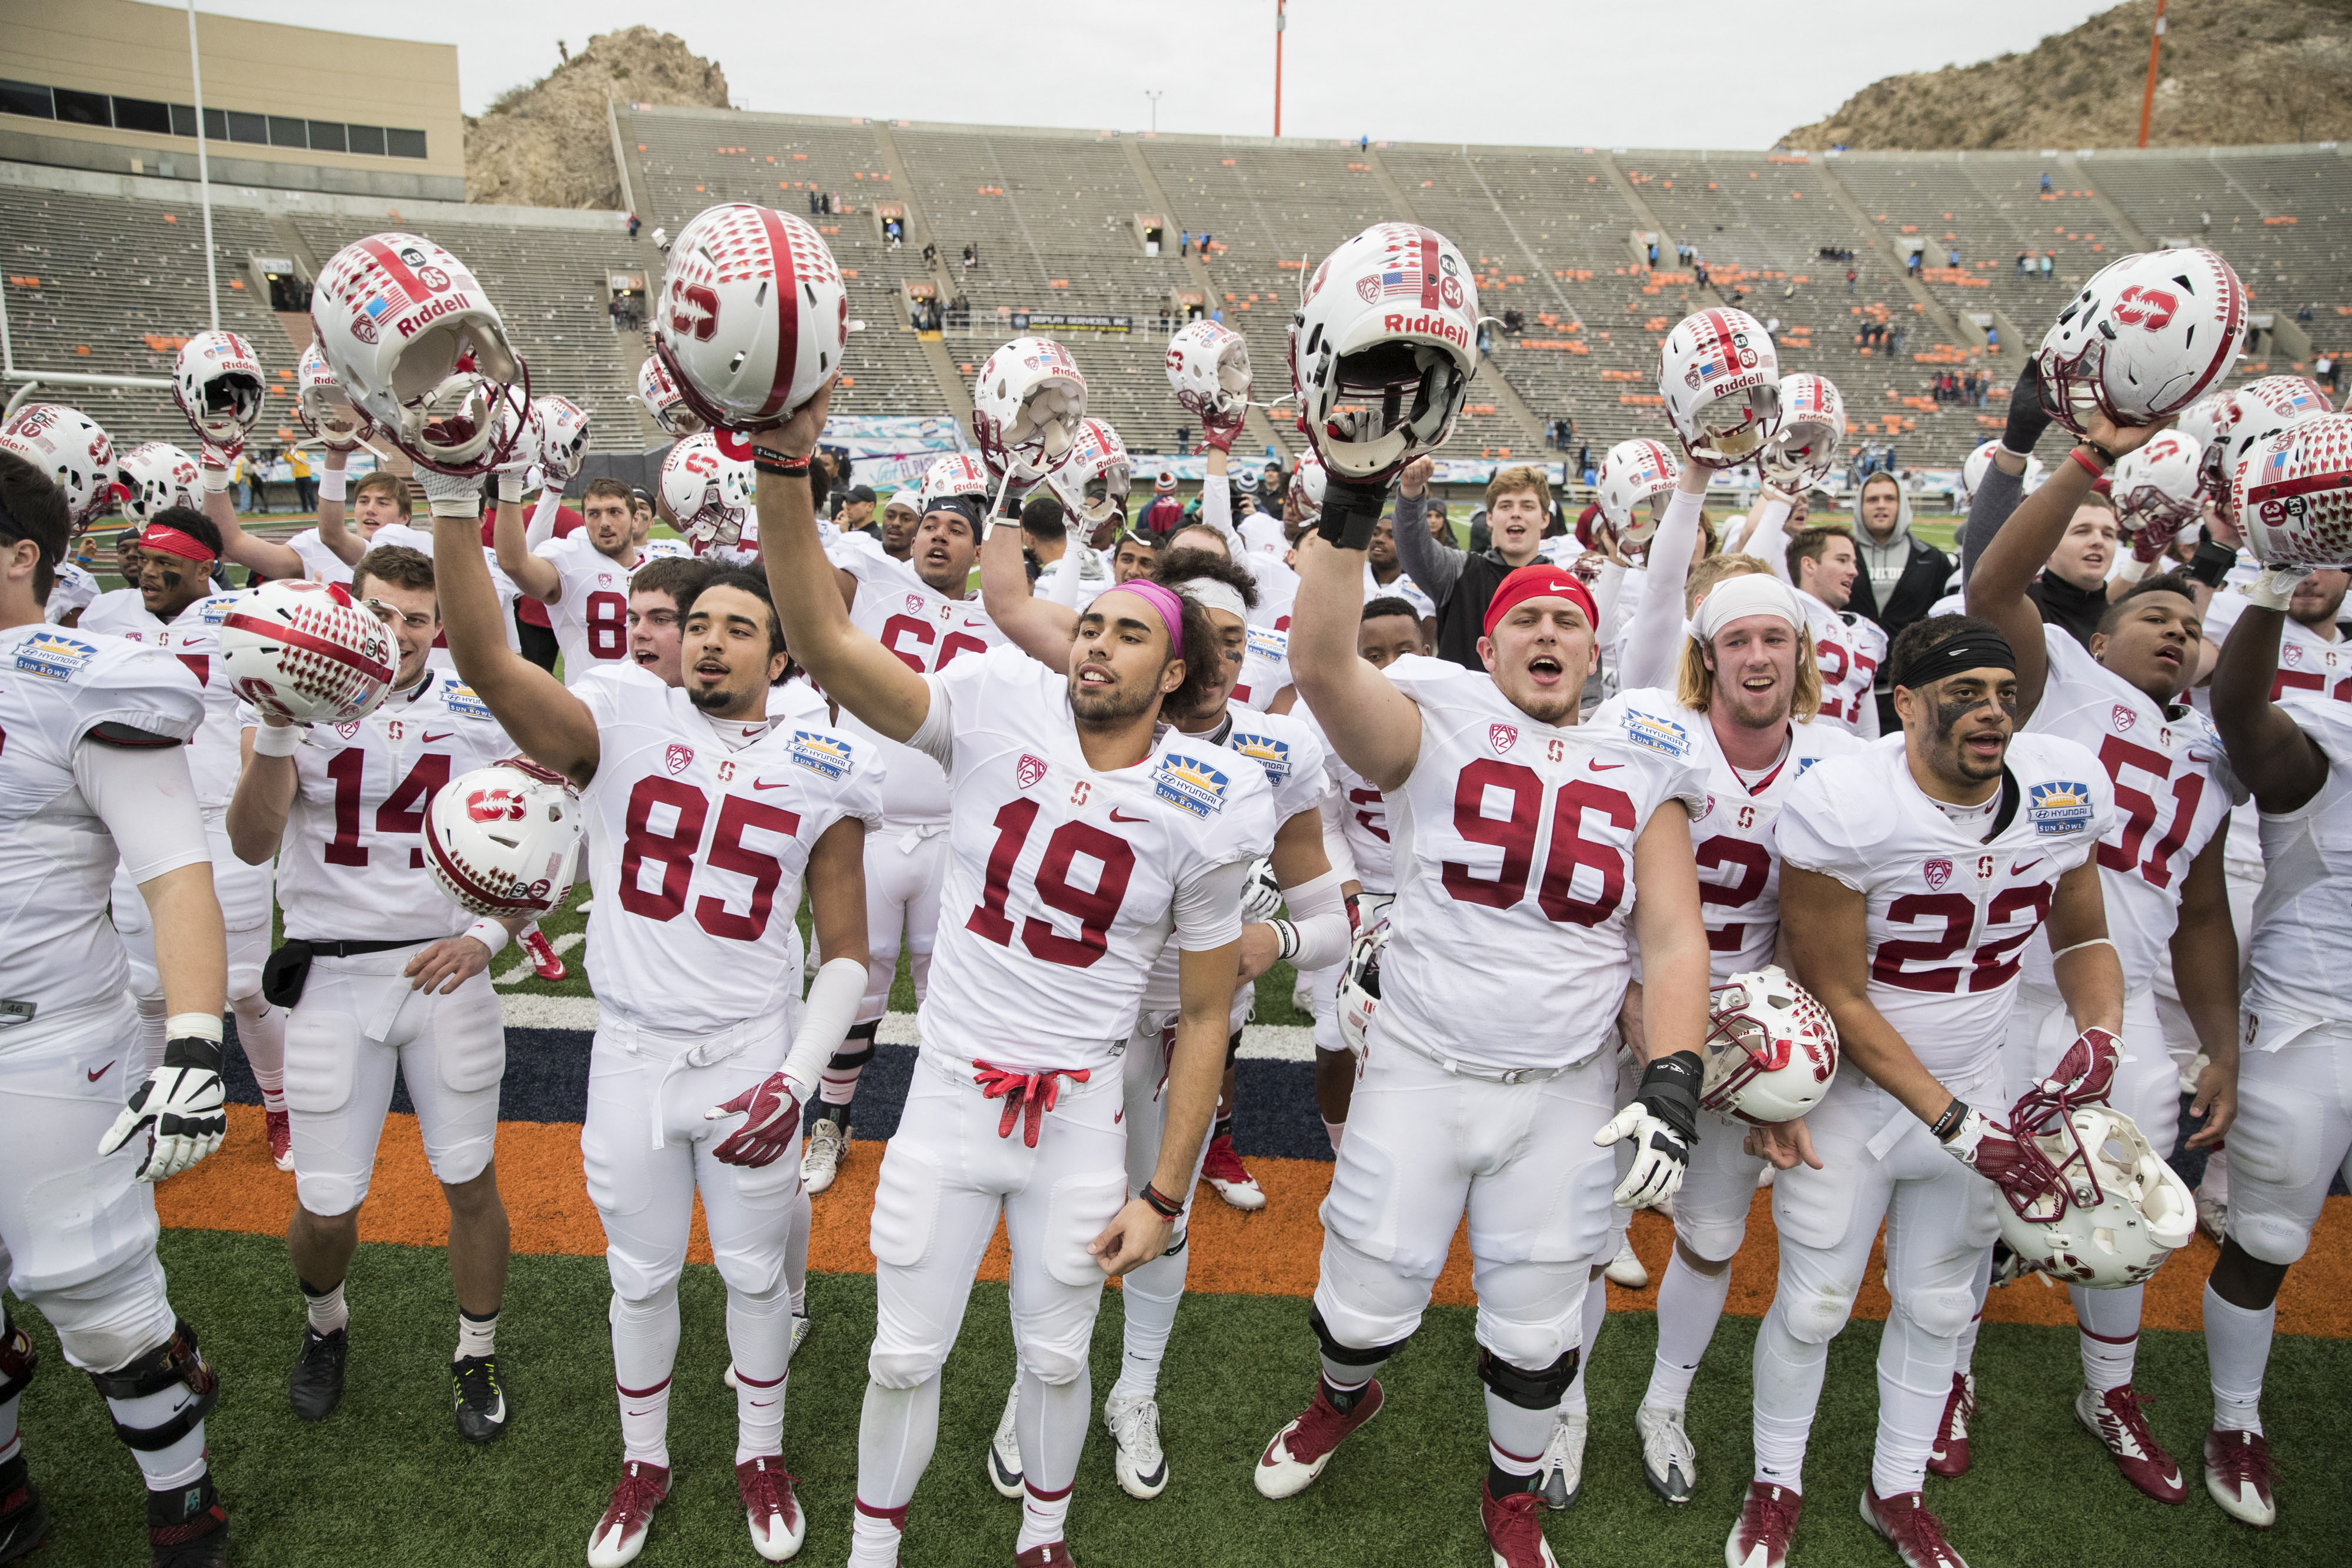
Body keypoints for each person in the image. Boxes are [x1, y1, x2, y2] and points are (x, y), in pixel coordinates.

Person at [748, 384, 1275, 1568]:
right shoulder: (994, 702)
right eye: (1089, 624)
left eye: (1128, 632)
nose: (1094, 642)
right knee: (902, 1351)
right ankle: (870, 1548)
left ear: (1179, 670)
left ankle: (1043, 1537)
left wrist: (1166, 1191)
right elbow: (827, 642)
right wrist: (782, 465)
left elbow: (1202, 1015)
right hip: (948, 1088)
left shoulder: (1208, 798)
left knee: (1052, 1353)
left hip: (1081, 1107)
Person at [1260, 461, 1712, 1568]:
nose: (1550, 631)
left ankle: (1510, 1494)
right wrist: (1352, 503)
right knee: (1364, 1292)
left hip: (1558, 1086)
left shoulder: (1642, 752)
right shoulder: (1441, 714)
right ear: (1491, 646)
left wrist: (1675, 1075)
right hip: (1418, 1060)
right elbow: (1319, 663)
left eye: (1571, 619)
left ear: (1595, 651)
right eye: (1530, 619)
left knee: (1534, 1323)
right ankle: (1343, 1395)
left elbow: (1671, 934)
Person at [427, 476, 878, 1564]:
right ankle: (646, 1459)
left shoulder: (827, 763)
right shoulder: (620, 716)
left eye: (742, 629)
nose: (712, 643)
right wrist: (454, 496)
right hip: (630, 1047)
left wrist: (800, 1078)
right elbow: (489, 663)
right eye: (701, 625)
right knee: (638, 1272)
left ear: (784, 657)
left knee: (757, 1271)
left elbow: (851, 955)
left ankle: (757, 1450)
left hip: (751, 1050)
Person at [1738, 614, 2121, 1568]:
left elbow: (2081, 937)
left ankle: (1896, 1487)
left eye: (2004, 692)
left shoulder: (2064, 786)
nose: (1991, 711)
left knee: (1941, 1303)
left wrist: (2102, 1030)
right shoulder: (1847, 802)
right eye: (1964, 692)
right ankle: (1776, 1478)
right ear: (1904, 703)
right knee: (1816, 1300)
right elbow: (1835, 987)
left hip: (1980, 1078)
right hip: (1856, 1092)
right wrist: (1955, 1123)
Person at [981, 537, 1348, 1502]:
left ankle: (1134, 1388)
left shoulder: (1276, 749)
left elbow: (1330, 917)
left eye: (1235, 637)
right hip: (1064, 1018)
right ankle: (1034, 1380)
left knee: (1163, 1212)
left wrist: (1269, 947)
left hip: (1180, 1028)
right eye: (1204, 634)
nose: (1221, 659)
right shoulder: (1078, 722)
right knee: (1046, 1213)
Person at [1959, 415, 2241, 1504]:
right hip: (2011, 986)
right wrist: (2088, 458)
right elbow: (1992, 589)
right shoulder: (2064, 679)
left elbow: (2204, 915)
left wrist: (2218, 1045)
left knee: (2133, 1201)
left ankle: (2109, 1387)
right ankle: (1948, 1371)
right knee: (1976, 1200)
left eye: (2190, 621)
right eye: (2155, 613)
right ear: (2107, 632)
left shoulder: (2210, 761)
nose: (2175, 629)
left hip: (2126, 1014)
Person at [1596, 453, 1861, 1507]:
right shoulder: (1660, 734)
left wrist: (1781, 1048)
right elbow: (1610, 887)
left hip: (1745, 1026)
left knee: (1709, 1236)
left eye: (1775, 637)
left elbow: (1831, 917)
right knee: (1582, 1221)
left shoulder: (1840, 759)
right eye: (1737, 637)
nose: (1757, 654)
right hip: (1617, 999)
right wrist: (1630, 1006)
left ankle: (1664, 1396)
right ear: (1709, 656)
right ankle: (1562, 1401)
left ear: (1802, 655)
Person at [221, 542, 529, 1449]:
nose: (397, 633)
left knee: (469, 1178)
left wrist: (488, 935)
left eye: (417, 616)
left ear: (443, 624)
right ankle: (326, 1325)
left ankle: (477, 1348)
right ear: (353, 611)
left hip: (447, 974)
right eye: (382, 612)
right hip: (333, 976)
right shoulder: (295, 704)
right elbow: (249, 843)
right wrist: (276, 726)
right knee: (326, 1201)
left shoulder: (483, 708)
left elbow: (550, 842)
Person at [0, 449, 233, 1568]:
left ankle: (184, 1502)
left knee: (97, 1291)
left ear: (20, 554)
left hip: (40, 1033)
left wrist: (192, 1039)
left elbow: (174, 869)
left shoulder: (73, 673)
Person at [2196, 562, 2352, 1529]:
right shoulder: (2323, 753)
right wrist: (2278, 576)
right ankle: (2235, 1415)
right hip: (2315, 1016)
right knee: (2265, 1238)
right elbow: (2243, 709)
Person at [799, 483, 1003, 1198]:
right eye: (929, 526)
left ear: (980, 551)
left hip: (956, 830)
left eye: (955, 530)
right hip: (870, 825)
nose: (938, 538)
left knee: (952, 990)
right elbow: (801, 582)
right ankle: (831, 1120)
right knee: (854, 981)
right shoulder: (870, 579)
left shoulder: (1000, 617)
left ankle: (944, 1132)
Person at [78, 509, 292, 1169]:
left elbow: (264, 726)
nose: (147, 570)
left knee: (246, 987)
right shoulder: (102, 618)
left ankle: (282, 1108)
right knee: (145, 987)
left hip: (217, 820)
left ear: (206, 565)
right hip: (138, 821)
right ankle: (156, 1109)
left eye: (164, 559)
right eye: (142, 557)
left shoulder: (243, 618)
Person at [1392, 463, 1555, 668]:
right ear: (1489, 517)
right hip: (1460, 700)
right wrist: (1411, 491)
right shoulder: (1460, 571)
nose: (1516, 514)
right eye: (1505, 506)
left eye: (1527, 506)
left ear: (1545, 519)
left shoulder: (1561, 586)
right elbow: (1413, 549)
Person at [496, 477, 644, 684]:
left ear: (635, 519)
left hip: (644, 703)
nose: (604, 523)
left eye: (614, 512)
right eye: (594, 514)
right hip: (587, 704)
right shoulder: (568, 560)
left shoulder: (657, 569)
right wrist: (513, 482)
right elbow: (515, 564)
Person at [1843, 472, 1949, 731]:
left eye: (1890, 498)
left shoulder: (1932, 559)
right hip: (1848, 693)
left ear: (1902, 505)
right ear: (1860, 506)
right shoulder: (1840, 556)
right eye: (1872, 499)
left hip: (1912, 694)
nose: (1881, 505)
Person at [2021, 492, 2120, 647]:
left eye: (2108, 534)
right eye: (2082, 531)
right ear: (2048, 545)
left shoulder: (2123, 621)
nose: (2098, 541)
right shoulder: (2021, 607)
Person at [624, 554, 720, 686]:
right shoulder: (612, 697)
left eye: (660, 620)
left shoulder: (745, 702)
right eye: (634, 619)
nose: (638, 632)